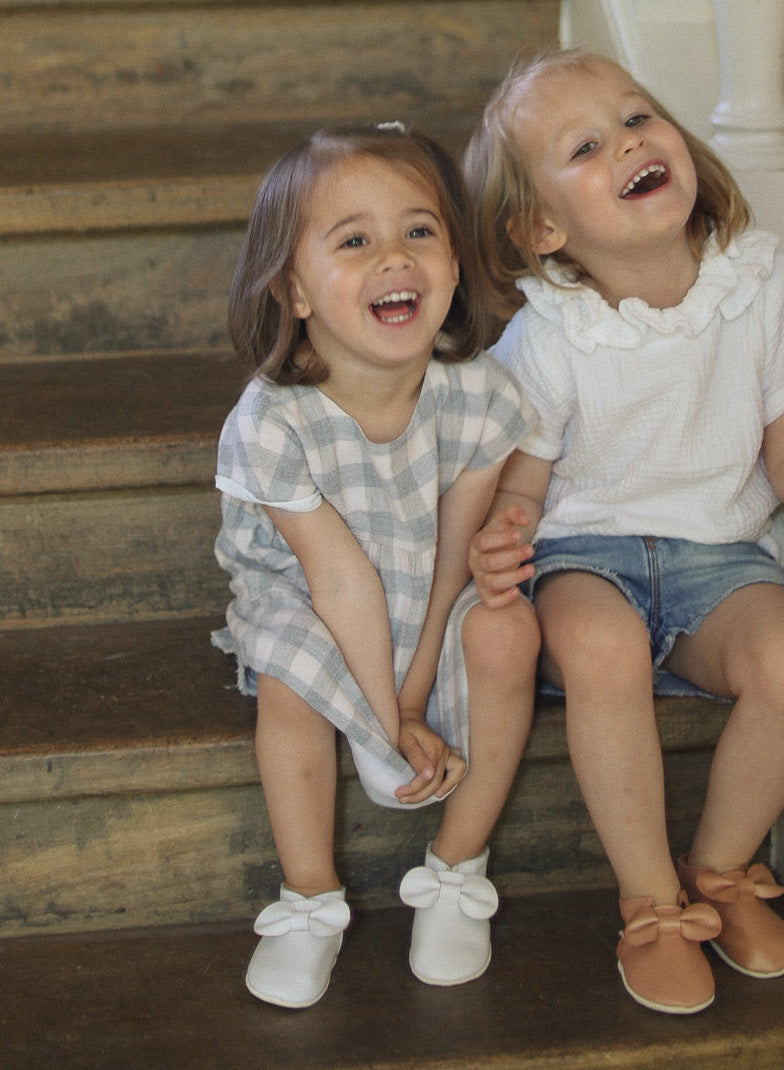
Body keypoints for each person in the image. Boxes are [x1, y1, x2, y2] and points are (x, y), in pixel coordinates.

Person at [463, 50, 784, 1015]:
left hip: (720, 562)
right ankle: (650, 902)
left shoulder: (758, 282)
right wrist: (500, 540)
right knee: (604, 645)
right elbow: (522, 490)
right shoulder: (552, 333)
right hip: (582, 560)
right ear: (543, 228)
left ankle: (719, 867)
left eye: (637, 118)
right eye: (586, 147)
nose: (630, 143)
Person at [212, 122, 539, 1009]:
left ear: (455, 264)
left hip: (428, 581)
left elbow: (451, 564)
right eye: (354, 241)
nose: (396, 257)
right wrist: (381, 725)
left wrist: (411, 697)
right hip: (310, 591)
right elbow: (340, 581)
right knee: (289, 683)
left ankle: (456, 869)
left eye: (419, 231)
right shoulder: (272, 422)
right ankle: (310, 897)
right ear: (295, 290)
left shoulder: (481, 397)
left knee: (510, 632)